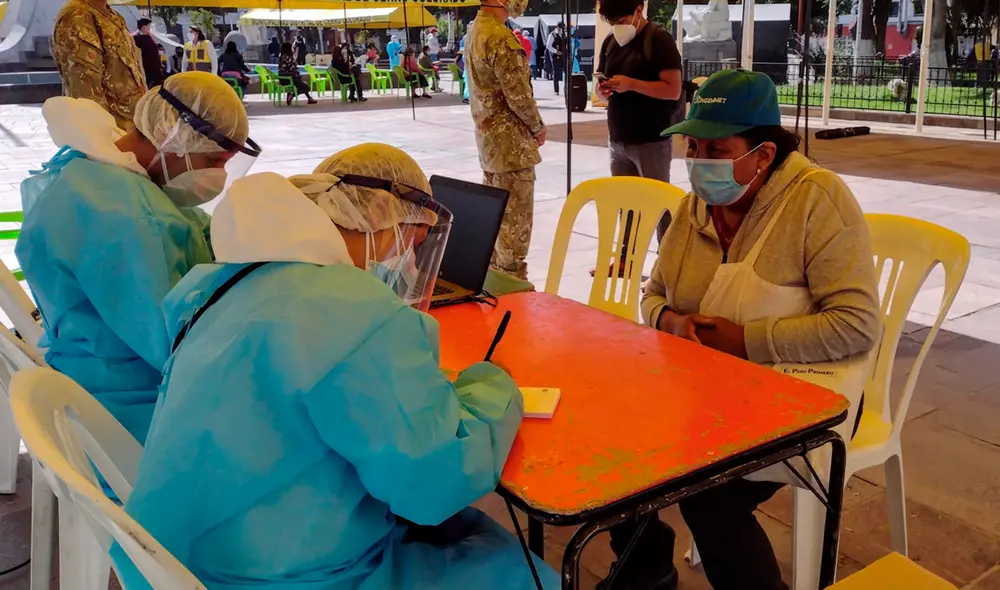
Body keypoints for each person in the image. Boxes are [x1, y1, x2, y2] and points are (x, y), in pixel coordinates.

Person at [115, 143, 560, 590]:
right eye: (412, 242)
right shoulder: (358, 311)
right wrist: (493, 388)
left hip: (174, 559)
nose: (407, 263)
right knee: (523, 572)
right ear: (383, 212)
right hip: (285, 578)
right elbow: (435, 484)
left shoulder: (225, 281)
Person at [634, 69, 881, 590]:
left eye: (716, 149)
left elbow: (857, 326)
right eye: (692, 147)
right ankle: (644, 569)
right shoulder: (693, 209)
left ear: (764, 155)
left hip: (806, 398)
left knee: (709, 493)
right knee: (619, 440)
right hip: (712, 392)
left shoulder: (816, 200)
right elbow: (651, 296)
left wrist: (747, 340)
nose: (698, 161)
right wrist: (673, 321)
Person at [15, 72, 257, 445]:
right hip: (128, 407)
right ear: (172, 137)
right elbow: (170, 344)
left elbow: (196, 230)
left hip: (90, 373)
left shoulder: (95, 172)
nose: (218, 176)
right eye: (213, 160)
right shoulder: (129, 216)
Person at [595, 0, 684, 276]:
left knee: (659, 204)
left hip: (651, 138)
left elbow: (673, 90)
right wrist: (603, 90)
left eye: (622, 20)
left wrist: (631, 84)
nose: (618, 26)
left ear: (638, 10)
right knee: (626, 201)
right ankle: (626, 259)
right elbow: (599, 87)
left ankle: (667, 267)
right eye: (612, 22)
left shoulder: (658, 39)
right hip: (619, 137)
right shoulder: (611, 42)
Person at [466, 0, 545, 280]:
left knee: (496, 225)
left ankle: (496, 283)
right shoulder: (500, 37)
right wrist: (537, 127)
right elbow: (519, 96)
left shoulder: (475, 31)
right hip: (512, 148)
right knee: (513, 229)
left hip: (490, 145)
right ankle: (512, 287)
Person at [51, 0, 147, 131]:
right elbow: (87, 95)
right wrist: (105, 137)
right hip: (113, 134)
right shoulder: (78, 17)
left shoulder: (112, 15)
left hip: (132, 129)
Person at [133, 18, 164, 89]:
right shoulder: (139, 39)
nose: (150, 29)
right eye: (149, 26)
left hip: (152, 69)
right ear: (143, 27)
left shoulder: (146, 37)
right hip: (148, 70)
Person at [545, 22, 566, 95]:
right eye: (560, 28)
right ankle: (556, 90)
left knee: (567, 73)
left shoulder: (564, 34)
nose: (562, 30)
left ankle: (567, 88)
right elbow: (548, 46)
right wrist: (556, 51)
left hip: (564, 56)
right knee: (556, 73)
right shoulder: (552, 34)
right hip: (556, 56)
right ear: (557, 27)